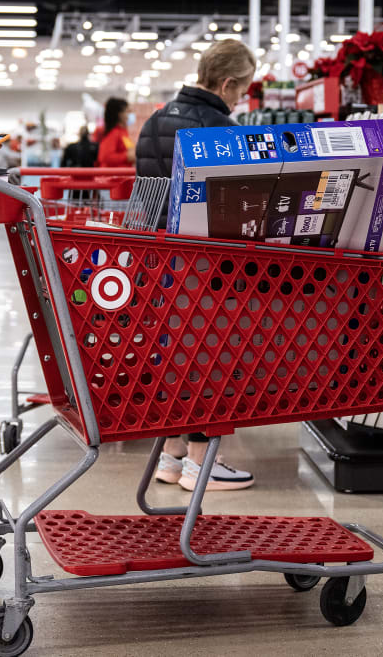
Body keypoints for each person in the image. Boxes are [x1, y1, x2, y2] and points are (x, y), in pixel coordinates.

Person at [136, 39, 258, 491]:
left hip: (157, 261)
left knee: (172, 355)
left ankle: (172, 456)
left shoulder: (153, 121)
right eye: (242, 89)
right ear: (226, 83)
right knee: (213, 356)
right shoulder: (220, 126)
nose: (241, 98)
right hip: (204, 266)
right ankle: (204, 463)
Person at [96, 97, 135, 168]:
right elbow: (105, 157)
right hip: (113, 177)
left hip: (123, 176)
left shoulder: (123, 132)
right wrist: (126, 156)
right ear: (119, 114)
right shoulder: (114, 133)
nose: (129, 116)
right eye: (127, 112)